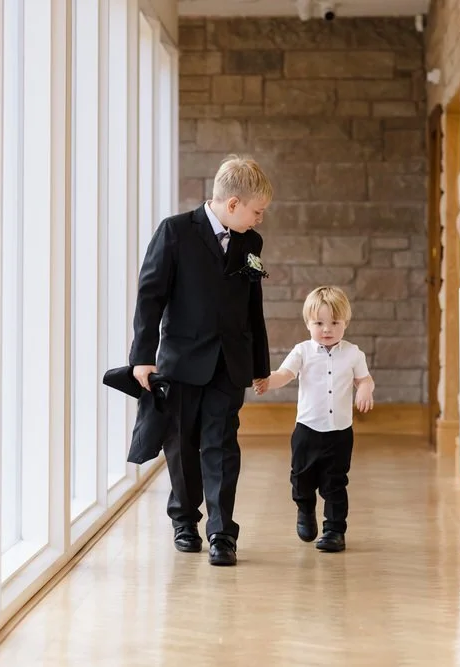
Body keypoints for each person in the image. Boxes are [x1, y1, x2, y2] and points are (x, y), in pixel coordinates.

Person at [129, 155, 272, 566]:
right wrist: (142, 357)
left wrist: (259, 365)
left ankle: (222, 533)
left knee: (222, 446)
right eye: (256, 211)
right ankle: (185, 521)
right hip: (181, 362)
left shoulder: (250, 243)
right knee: (182, 446)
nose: (259, 220)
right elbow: (149, 297)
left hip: (230, 364)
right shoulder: (174, 232)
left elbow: (252, 307)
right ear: (232, 204)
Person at [253, 286, 375, 552]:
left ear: (345, 323)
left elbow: (364, 378)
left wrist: (365, 389)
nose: (327, 329)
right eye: (319, 323)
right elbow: (285, 374)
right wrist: (267, 381)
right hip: (307, 430)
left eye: (334, 323)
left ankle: (334, 530)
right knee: (301, 478)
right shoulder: (302, 351)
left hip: (339, 432)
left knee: (335, 482)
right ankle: (305, 510)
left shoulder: (353, 354)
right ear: (308, 323)